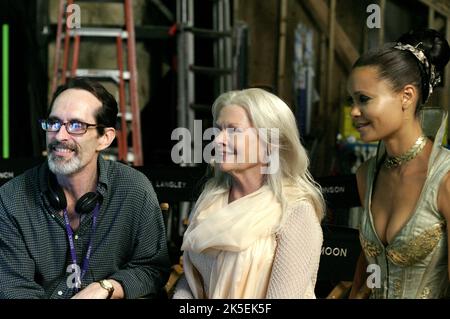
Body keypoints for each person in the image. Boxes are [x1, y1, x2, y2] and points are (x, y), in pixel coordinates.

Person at [0, 78, 171, 299]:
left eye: (76, 126)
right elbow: (14, 290)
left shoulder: (134, 189)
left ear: (105, 138)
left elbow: (153, 268)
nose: (60, 136)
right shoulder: (12, 199)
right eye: (53, 123)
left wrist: (107, 287)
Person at [173, 88, 325, 298]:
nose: (218, 140)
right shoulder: (211, 199)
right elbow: (192, 278)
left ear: (270, 143)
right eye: (219, 129)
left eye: (234, 131)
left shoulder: (295, 213)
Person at [347, 29, 450, 299]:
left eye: (364, 99)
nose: (353, 112)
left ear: (406, 96)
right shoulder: (366, 174)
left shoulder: (445, 178)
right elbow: (367, 269)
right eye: (352, 100)